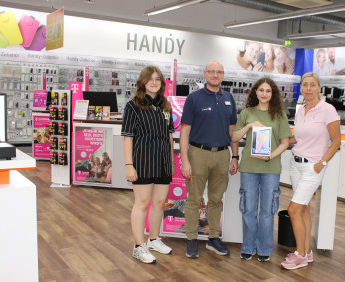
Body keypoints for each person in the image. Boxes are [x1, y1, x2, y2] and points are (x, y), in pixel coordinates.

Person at [281, 72, 341, 270]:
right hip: (296, 163)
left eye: (312, 85)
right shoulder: (301, 110)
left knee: (293, 209)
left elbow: (336, 141)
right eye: (305, 85)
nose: (308, 88)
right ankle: (306, 253)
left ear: (319, 87)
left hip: (312, 167)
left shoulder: (328, 110)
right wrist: (277, 140)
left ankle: (298, 254)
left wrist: (321, 163)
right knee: (304, 208)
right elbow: (298, 138)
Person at [180, 60, 239, 258]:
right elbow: (185, 131)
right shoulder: (194, 98)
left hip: (223, 155)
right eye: (212, 71)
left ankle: (214, 238)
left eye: (219, 72)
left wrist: (235, 156)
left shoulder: (229, 98)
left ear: (223, 75)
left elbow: (232, 131)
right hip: (198, 154)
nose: (215, 75)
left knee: (216, 199)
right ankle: (191, 240)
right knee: (194, 199)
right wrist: (185, 160)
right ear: (205, 74)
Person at [231, 77, 291, 262]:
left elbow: (285, 143)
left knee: (267, 210)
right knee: (248, 209)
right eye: (261, 90)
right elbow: (234, 137)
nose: (264, 94)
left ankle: (264, 248)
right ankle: (248, 246)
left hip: (271, 168)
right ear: (255, 92)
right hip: (249, 167)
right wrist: (249, 125)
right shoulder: (246, 113)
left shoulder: (279, 114)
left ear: (272, 94)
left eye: (268, 91)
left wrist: (270, 156)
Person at [122, 65, 175, 264]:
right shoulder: (133, 106)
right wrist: (129, 165)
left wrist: (170, 161)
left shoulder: (165, 106)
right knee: (142, 203)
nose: (154, 82)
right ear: (143, 82)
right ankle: (139, 246)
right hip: (142, 161)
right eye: (150, 79)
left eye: (158, 79)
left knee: (159, 203)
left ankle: (153, 239)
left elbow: (169, 137)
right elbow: (128, 138)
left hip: (162, 161)